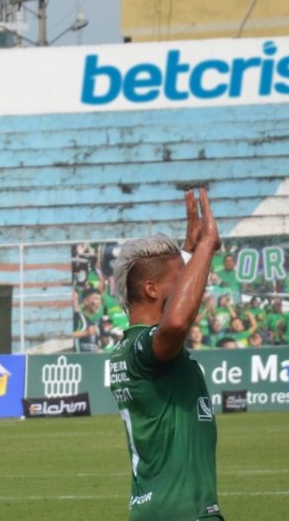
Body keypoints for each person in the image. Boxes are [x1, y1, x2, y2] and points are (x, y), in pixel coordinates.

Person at [108, 189, 223, 521]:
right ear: (151, 290)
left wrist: (190, 252)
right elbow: (174, 323)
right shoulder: (148, 349)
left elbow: (170, 294)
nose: (194, 285)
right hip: (184, 512)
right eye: (182, 278)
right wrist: (205, 247)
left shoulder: (128, 349)